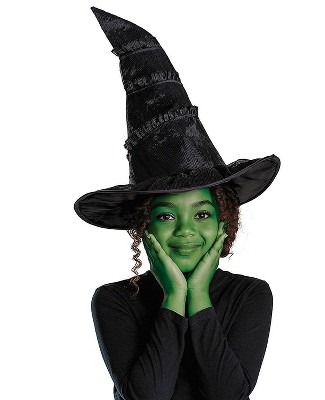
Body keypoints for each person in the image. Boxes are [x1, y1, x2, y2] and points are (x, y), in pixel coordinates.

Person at [74, 7, 281, 400]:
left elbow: (229, 396)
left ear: (225, 221)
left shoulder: (250, 295)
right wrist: (173, 297)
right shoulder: (115, 300)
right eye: (167, 215)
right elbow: (146, 396)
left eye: (202, 214)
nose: (186, 230)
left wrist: (198, 295)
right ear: (144, 226)